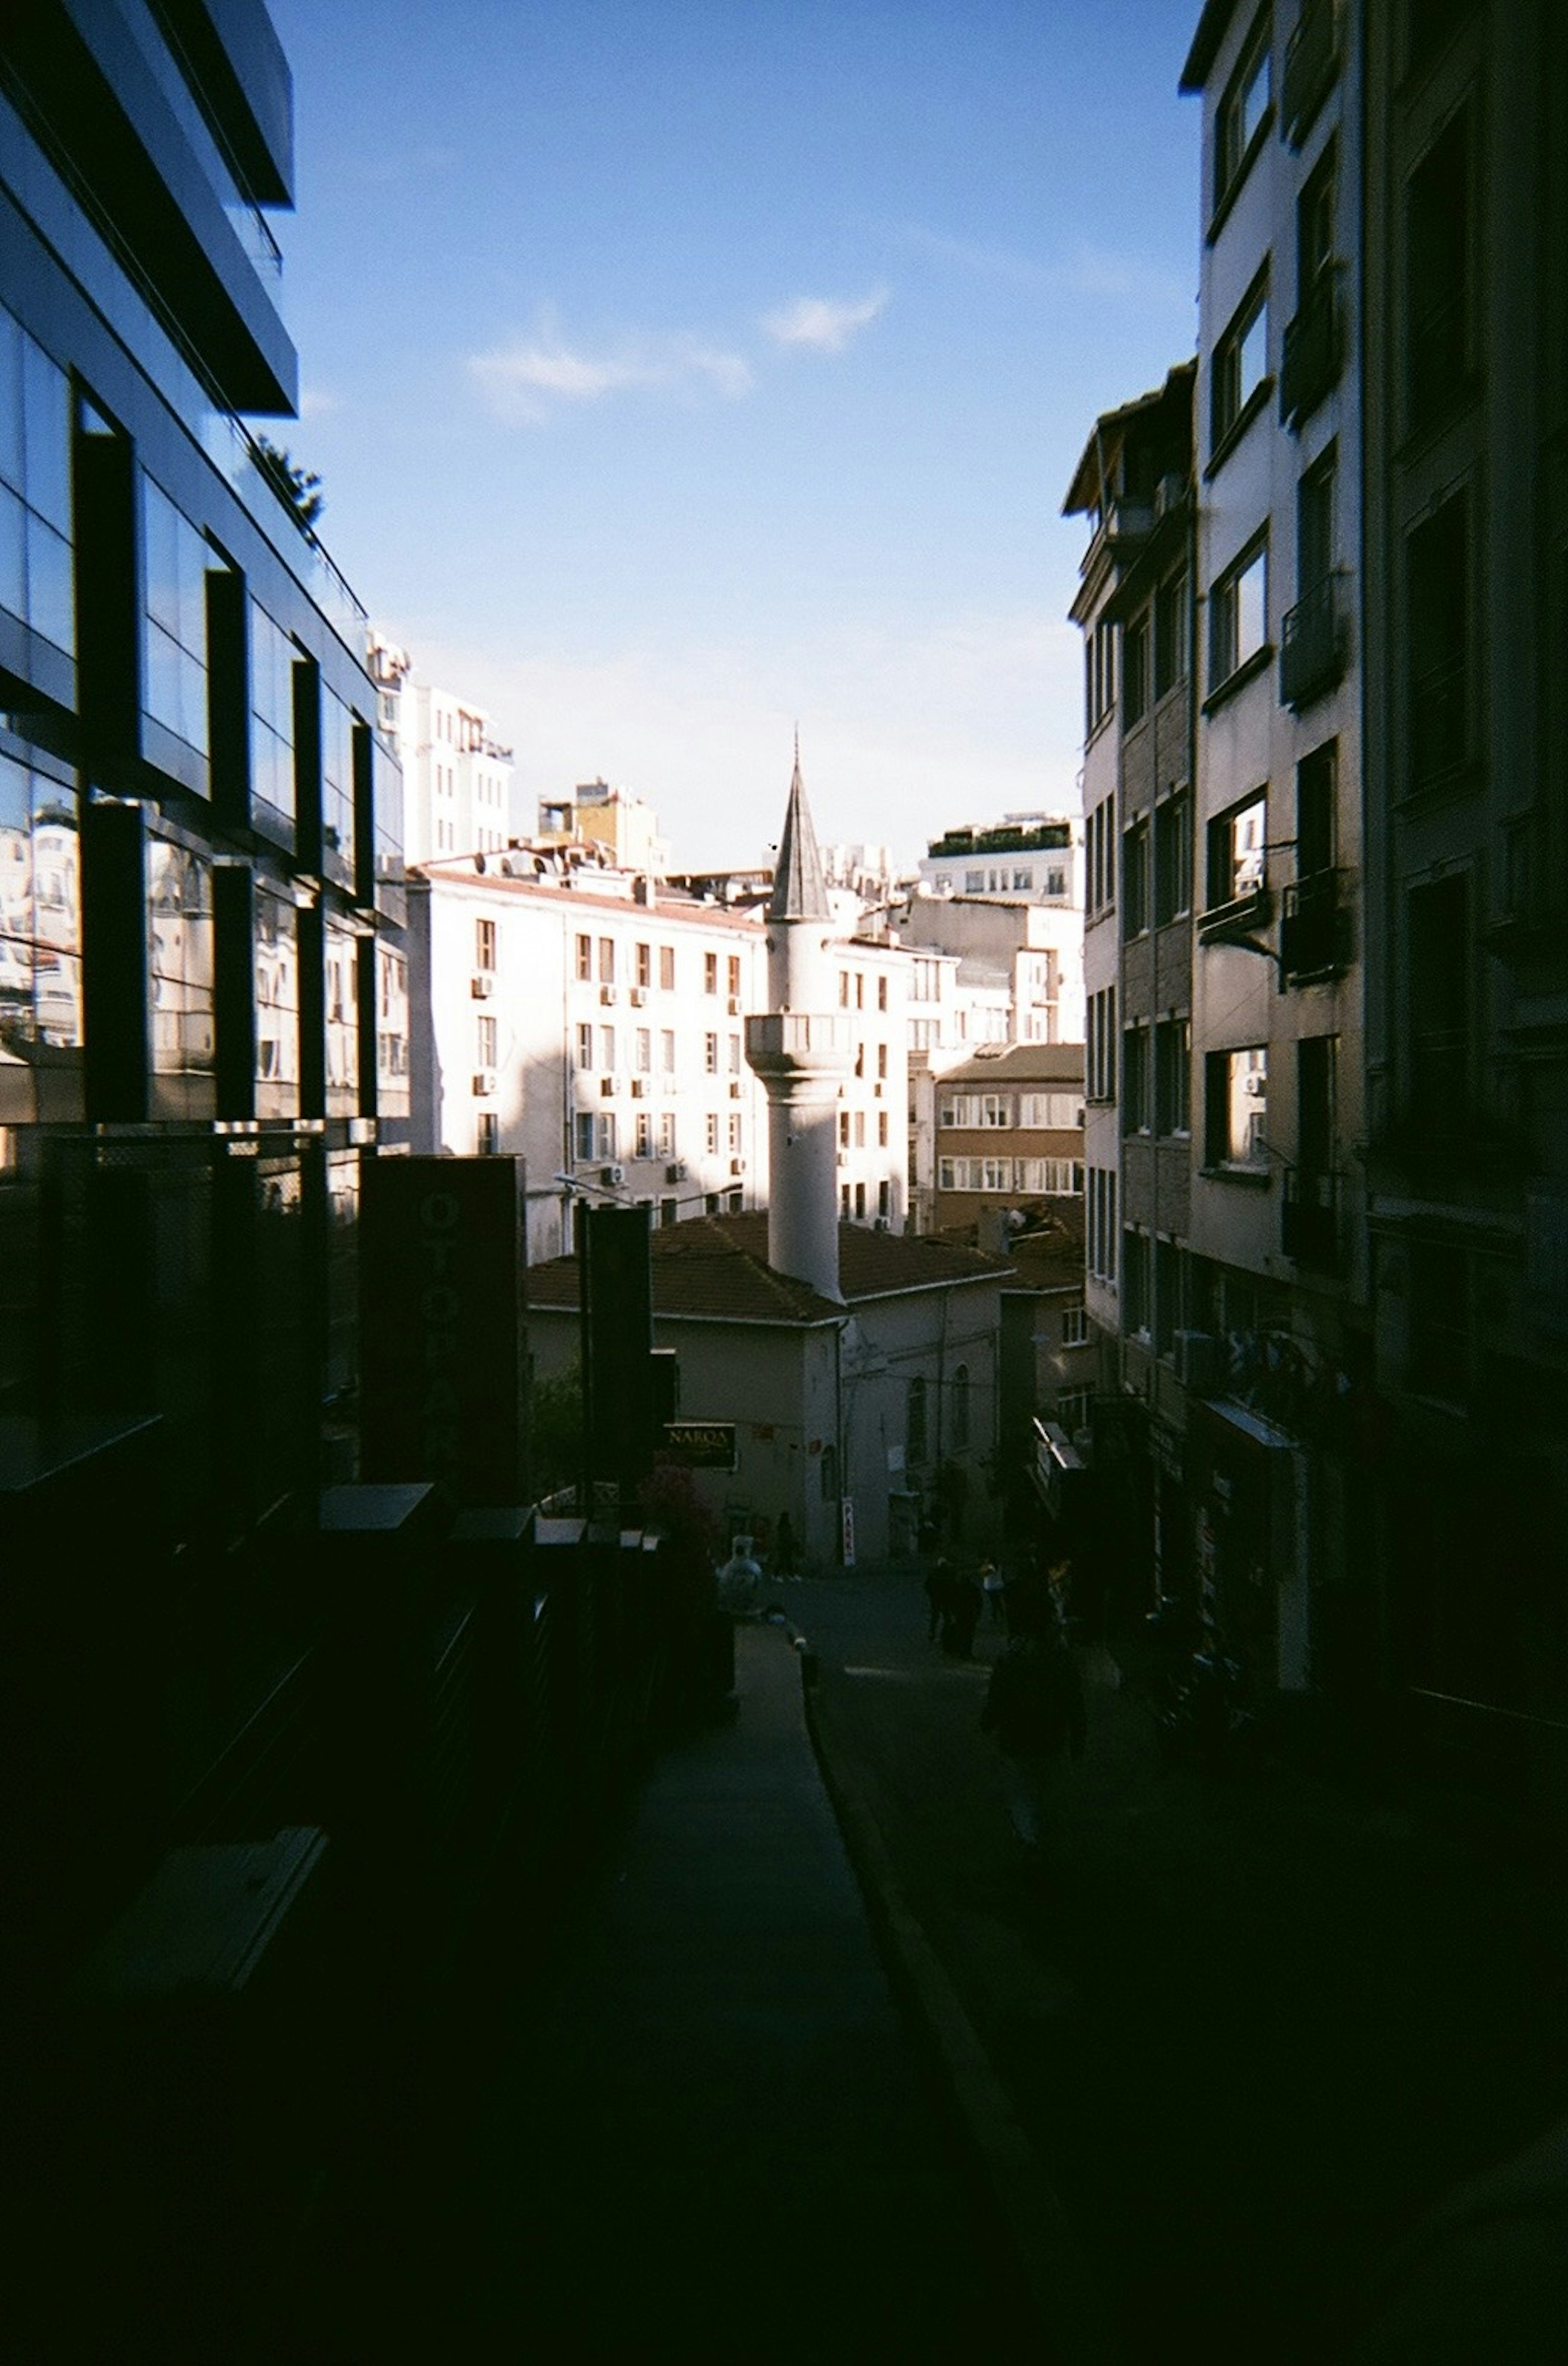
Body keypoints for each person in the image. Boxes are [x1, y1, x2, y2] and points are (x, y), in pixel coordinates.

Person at [980, 1609, 1087, 1856]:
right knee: (1049, 1788)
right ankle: (1048, 1838)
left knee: (1021, 1791)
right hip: (1051, 1736)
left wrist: (988, 1722)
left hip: (1015, 1737)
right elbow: (1074, 1699)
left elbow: (998, 1696)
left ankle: (1030, 1838)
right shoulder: (1060, 1658)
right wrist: (1079, 1734)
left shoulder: (1010, 1658)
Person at [943, 1564, 982, 1659]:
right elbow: (979, 1602)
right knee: (969, 1635)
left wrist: (952, 1612)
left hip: (960, 1614)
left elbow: (950, 1601)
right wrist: (978, 1614)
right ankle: (967, 1652)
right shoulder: (973, 1589)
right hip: (970, 1614)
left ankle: (961, 1651)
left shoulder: (956, 1588)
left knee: (961, 1633)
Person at [980, 1561, 1007, 1628]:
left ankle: (997, 1616)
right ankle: (1001, 1615)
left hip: (991, 1587)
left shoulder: (987, 1567)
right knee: (997, 1602)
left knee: (995, 1603)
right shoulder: (999, 1567)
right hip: (998, 1586)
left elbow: (983, 1575)